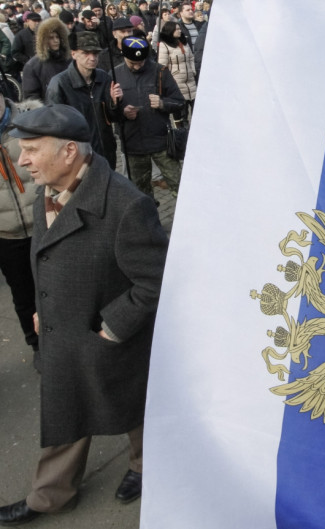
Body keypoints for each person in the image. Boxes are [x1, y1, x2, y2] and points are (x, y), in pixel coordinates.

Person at [0, 104, 168, 526]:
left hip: (111, 340)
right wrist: (42, 308)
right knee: (66, 408)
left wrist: (113, 326)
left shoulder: (128, 206)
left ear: (70, 152)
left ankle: (148, 468)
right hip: (64, 332)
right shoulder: (48, 191)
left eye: (33, 150)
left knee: (135, 407)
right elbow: (50, 259)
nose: (22, 161)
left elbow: (155, 281)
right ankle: (49, 496)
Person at [0, 96, 42, 369]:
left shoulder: (30, 116)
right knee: (23, 294)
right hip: (7, 235)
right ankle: (37, 345)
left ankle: (71, 338)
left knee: (62, 285)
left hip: (44, 224)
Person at [114, 35, 184, 197]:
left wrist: (162, 103)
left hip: (162, 143)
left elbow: (179, 101)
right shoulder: (114, 74)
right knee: (140, 193)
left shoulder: (160, 71)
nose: (138, 67)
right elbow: (109, 113)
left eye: (141, 62)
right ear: (124, 56)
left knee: (179, 186)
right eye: (132, 63)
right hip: (133, 145)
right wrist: (121, 111)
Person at [46, 31, 121, 169]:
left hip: (106, 150)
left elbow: (113, 118)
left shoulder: (104, 78)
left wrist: (115, 103)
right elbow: (56, 127)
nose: (92, 58)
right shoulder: (60, 83)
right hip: (78, 155)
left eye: (95, 53)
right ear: (74, 54)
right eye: (86, 53)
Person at [21, 17, 70, 101]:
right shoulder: (33, 65)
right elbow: (31, 96)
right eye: (51, 38)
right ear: (43, 40)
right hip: (49, 110)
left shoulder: (68, 60)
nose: (56, 41)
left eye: (57, 37)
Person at [157, 20, 195, 128]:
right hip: (177, 81)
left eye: (179, 28)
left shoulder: (184, 42)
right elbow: (162, 65)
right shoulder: (165, 45)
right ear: (170, 30)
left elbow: (191, 57)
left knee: (195, 108)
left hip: (190, 80)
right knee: (181, 114)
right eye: (177, 29)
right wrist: (171, 78)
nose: (179, 31)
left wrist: (193, 70)